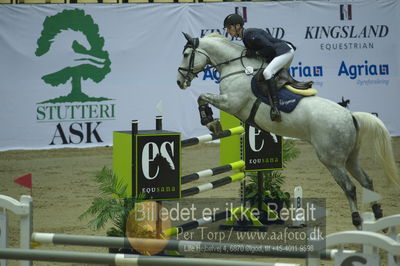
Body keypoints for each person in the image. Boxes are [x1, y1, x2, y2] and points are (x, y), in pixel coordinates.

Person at [223, 13, 296, 122]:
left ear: (238, 26)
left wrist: (255, 53)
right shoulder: (245, 37)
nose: (228, 31)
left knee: (267, 73)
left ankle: (275, 108)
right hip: (281, 52)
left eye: (229, 28)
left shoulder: (249, 34)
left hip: (284, 51)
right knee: (274, 76)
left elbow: (270, 49)